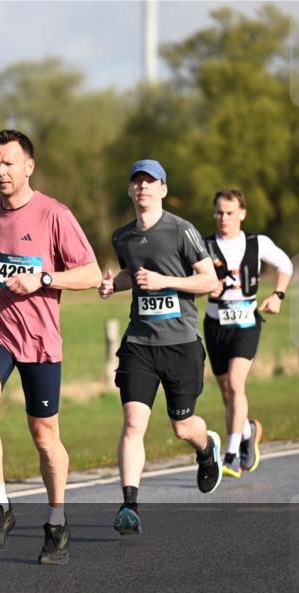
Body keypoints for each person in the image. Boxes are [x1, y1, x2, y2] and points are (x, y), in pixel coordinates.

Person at [0, 129, 101, 565]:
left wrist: (44, 279)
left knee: (44, 436)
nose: (0, 171)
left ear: (29, 166)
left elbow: (91, 273)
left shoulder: (54, 214)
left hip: (40, 340)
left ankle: (57, 521)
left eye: (8, 163)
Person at [99, 159, 223, 536]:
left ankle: (206, 449)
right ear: (130, 190)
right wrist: (113, 285)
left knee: (182, 427)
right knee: (133, 423)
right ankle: (129, 506)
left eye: (150, 182)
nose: (143, 187)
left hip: (180, 343)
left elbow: (210, 281)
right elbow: (131, 274)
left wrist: (164, 281)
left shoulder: (182, 231)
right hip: (140, 343)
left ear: (163, 189)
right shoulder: (122, 237)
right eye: (137, 182)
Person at [204, 189, 293, 478]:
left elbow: (285, 264)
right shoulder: (204, 246)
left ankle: (231, 455)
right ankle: (247, 431)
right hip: (215, 324)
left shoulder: (257, 243)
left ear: (242, 213)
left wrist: (278, 295)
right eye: (219, 212)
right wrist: (206, 286)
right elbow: (189, 278)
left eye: (230, 213)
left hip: (246, 323)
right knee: (226, 392)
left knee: (235, 384)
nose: (224, 218)